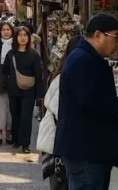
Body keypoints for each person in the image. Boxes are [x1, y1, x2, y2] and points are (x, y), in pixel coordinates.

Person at [54, 14, 118, 190]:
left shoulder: (87, 58)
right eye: (115, 37)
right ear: (99, 35)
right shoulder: (82, 60)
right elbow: (91, 102)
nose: (117, 44)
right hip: (86, 151)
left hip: (91, 149)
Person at [38, 36, 81, 190]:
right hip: (57, 141)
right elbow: (60, 111)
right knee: (62, 183)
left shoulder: (64, 74)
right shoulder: (66, 78)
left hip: (57, 140)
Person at [2, 26, 44, 154]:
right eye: (20, 35)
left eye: (25, 35)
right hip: (14, 89)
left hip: (29, 90)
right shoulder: (11, 54)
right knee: (15, 115)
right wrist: (7, 83)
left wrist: (40, 94)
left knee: (26, 116)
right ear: (16, 37)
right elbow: (5, 71)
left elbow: (39, 75)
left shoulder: (34, 55)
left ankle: (25, 143)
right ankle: (16, 140)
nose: (22, 37)